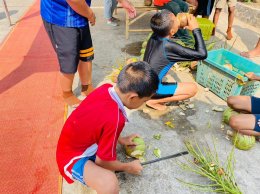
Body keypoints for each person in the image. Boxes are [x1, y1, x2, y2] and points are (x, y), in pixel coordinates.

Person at [56, 62, 159, 193]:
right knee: (109, 183)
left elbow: (100, 123)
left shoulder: (106, 88)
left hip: (72, 144)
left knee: (109, 161)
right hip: (72, 158)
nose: (144, 104)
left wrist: (121, 139)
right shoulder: (116, 119)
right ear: (132, 97)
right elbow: (102, 162)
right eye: (144, 101)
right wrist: (128, 166)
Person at [40, 0, 136, 107]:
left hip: (80, 13)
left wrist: (123, 1)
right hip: (61, 16)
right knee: (69, 61)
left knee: (86, 53)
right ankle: (67, 93)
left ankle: (86, 87)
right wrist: (90, 14)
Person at [143, 10, 207, 110]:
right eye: (175, 20)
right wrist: (196, 29)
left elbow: (170, 31)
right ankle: (153, 101)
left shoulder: (155, 34)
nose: (177, 18)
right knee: (193, 89)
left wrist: (179, 26)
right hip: (152, 90)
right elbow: (202, 54)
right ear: (172, 31)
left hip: (142, 83)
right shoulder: (169, 47)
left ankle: (152, 96)